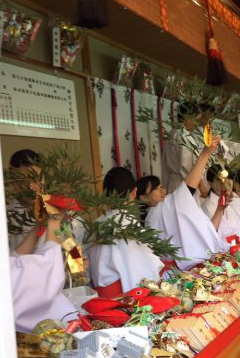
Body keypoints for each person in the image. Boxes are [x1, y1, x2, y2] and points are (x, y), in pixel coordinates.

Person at [137, 137, 225, 269]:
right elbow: (186, 191)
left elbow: (205, 231)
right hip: (178, 271)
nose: (162, 190)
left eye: (161, 186)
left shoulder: (168, 207)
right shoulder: (156, 213)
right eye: (155, 188)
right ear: (142, 197)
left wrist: (220, 208)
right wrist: (205, 154)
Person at [86, 167, 164, 297]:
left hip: (100, 297)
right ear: (134, 192)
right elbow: (148, 273)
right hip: (123, 299)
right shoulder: (127, 224)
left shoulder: (96, 224)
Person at [10, 215, 78, 332]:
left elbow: (14, 260)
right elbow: (45, 267)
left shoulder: (71, 224)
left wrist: (41, 225)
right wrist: (54, 222)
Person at [161, 102, 201, 193]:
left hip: (172, 184)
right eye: (196, 120)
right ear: (188, 118)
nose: (196, 125)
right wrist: (201, 184)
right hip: (185, 185)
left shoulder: (171, 133)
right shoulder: (184, 136)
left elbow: (164, 164)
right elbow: (188, 167)